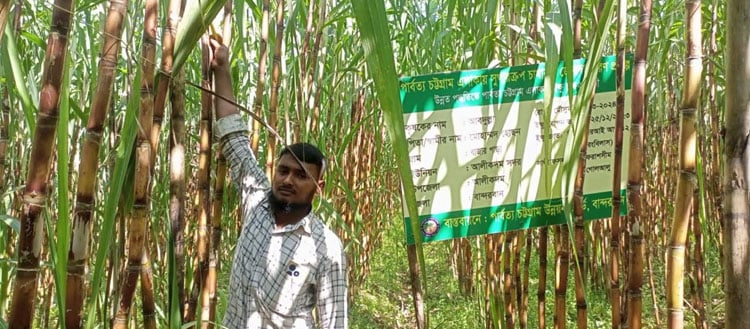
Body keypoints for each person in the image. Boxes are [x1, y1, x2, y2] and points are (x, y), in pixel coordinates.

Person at [210, 39, 348, 329]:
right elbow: (233, 137)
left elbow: (334, 322)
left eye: (301, 176)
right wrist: (221, 67)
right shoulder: (256, 202)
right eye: (283, 171)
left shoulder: (326, 247)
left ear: (318, 186)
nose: (288, 180)